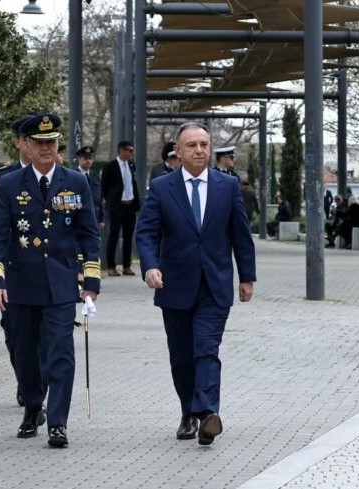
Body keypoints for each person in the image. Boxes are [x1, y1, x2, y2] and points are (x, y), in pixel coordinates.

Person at [135, 121, 256, 446]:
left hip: (214, 285)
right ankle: (188, 412)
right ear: (178, 150)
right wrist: (150, 267)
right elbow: (146, 233)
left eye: (204, 144)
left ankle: (207, 413)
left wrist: (246, 276)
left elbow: (240, 235)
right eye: (192, 145)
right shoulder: (162, 188)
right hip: (174, 284)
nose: (200, 150)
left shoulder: (227, 186)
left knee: (206, 349)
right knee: (181, 356)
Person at [0, 113, 102, 448]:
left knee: (61, 353)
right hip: (22, 283)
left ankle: (58, 422)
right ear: (28, 146)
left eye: (51, 142)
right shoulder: (10, 184)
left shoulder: (75, 181)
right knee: (25, 354)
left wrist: (91, 281)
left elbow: (89, 233)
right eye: (40, 143)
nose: (46, 148)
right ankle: (33, 405)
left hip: (61, 283)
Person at [0, 115, 36, 406]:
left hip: (45, 269)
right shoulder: (1, 178)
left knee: (46, 336)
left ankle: (37, 385)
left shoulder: (60, 175)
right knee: (13, 331)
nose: (34, 145)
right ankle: (25, 380)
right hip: (10, 268)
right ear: (18, 143)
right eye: (28, 140)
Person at [101, 140, 140, 276]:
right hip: (117, 206)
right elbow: (104, 187)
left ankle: (126, 266)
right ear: (122, 151)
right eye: (129, 150)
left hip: (130, 206)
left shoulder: (131, 165)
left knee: (129, 237)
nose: (131, 153)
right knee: (114, 236)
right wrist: (111, 201)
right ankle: (111, 266)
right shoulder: (110, 167)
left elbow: (132, 183)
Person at [75, 146, 104, 230]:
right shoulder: (73, 176)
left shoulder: (95, 176)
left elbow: (99, 198)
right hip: (79, 216)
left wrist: (101, 219)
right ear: (79, 159)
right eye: (85, 158)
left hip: (95, 216)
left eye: (90, 158)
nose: (88, 161)